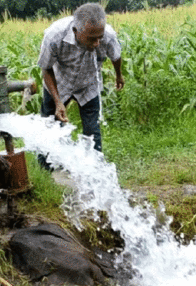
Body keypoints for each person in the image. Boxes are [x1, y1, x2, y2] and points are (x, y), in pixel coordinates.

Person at [37, 3, 124, 169]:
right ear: (76, 31)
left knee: (92, 129)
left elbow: (116, 56)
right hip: (59, 82)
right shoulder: (54, 36)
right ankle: (45, 169)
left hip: (89, 83)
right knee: (48, 125)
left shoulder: (108, 35)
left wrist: (119, 75)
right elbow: (46, 69)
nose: (98, 43)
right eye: (92, 39)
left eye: (100, 37)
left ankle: (95, 169)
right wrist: (58, 102)